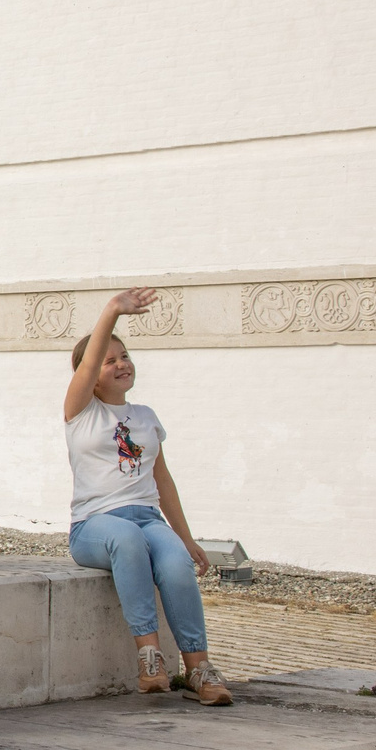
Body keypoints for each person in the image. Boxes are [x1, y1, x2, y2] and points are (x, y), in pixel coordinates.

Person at [66, 289, 231, 706]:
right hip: (94, 525)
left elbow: (163, 481)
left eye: (125, 357)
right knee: (127, 537)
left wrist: (187, 538)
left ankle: (198, 669)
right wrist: (112, 311)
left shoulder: (145, 417)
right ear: (90, 374)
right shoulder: (80, 412)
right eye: (110, 360)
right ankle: (149, 657)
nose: (121, 364)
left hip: (147, 519)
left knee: (174, 560)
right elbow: (88, 362)